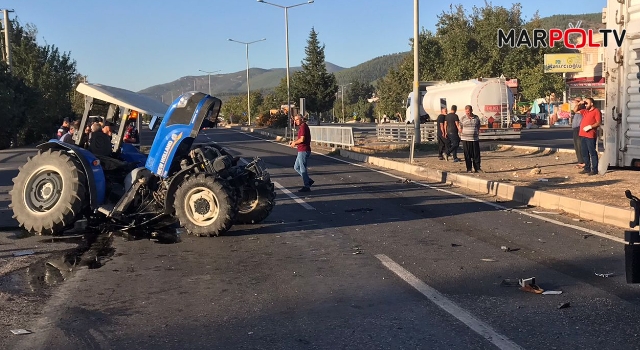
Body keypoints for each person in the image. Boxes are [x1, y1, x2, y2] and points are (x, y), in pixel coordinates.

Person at [289, 114, 314, 192]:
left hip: (304, 150)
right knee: (296, 167)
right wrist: (294, 141)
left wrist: (294, 143)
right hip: (301, 150)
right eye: (295, 120)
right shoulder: (302, 127)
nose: (295, 121)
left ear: (302, 119)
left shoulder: (303, 126)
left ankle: (307, 186)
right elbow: (300, 138)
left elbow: (302, 139)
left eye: (297, 119)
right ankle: (308, 180)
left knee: (303, 169)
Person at [578, 97, 602, 175]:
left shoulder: (596, 111)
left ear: (592, 103)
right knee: (584, 152)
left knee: (592, 152)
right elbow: (574, 110)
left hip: (590, 135)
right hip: (582, 134)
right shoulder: (585, 111)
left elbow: (598, 122)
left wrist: (590, 127)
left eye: (587, 103)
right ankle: (587, 168)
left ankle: (594, 169)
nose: (585, 104)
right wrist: (579, 104)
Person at [459, 105, 482, 173]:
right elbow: (460, 127)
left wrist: (476, 132)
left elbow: (478, 126)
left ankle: (477, 168)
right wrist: (462, 133)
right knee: (467, 154)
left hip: (474, 139)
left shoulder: (476, 117)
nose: (467, 113)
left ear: (471, 110)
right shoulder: (463, 118)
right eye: (466, 111)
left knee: (476, 154)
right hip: (466, 139)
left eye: (468, 111)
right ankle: (469, 168)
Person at [571, 98, 586, 169]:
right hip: (575, 129)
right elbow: (574, 110)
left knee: (580, 145)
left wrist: (579, 103)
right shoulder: (578, 109)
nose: (575, 103)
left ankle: (583, 162)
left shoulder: (583, 109)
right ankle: (580, 161)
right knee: (576, 146)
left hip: (580, 128)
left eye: (577, 101)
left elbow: (575, 110)